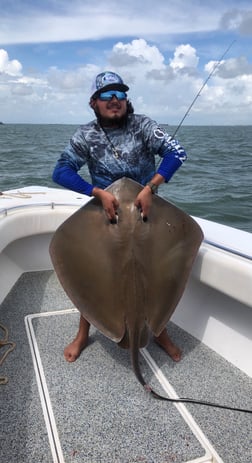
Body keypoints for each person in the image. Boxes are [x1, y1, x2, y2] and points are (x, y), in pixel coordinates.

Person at [52, 71, 187, 363]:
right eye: (106, 95)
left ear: (126, 100)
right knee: (96, 270)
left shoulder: (143, 126)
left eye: (120, 95)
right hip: (107, 216)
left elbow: (177, 152)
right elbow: (60, 171)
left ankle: (159, 331)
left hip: (146, 213)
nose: (114, 100)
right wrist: (96, 192)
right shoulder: (86, 135)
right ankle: (83, 333)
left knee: (155, 272)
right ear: (94, 102)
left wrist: (151, 186)